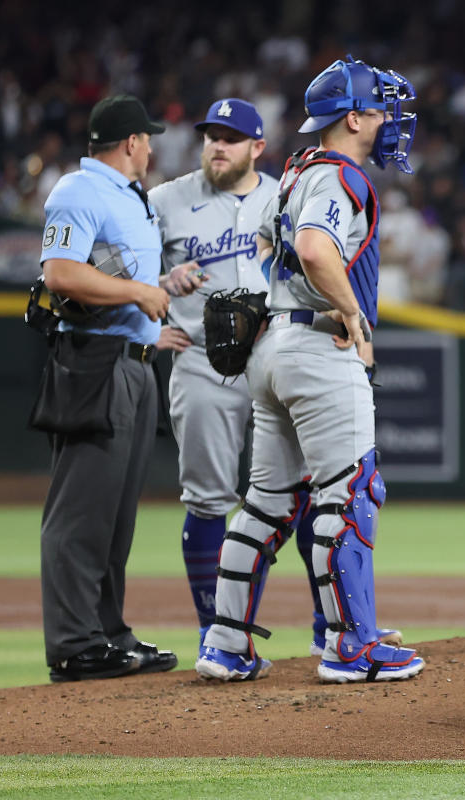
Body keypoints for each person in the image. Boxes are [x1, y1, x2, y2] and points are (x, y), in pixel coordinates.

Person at [195, 56, 423, 683]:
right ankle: (352, 645)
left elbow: (272, 246)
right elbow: (318, 249)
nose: (387, 120)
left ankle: (225, 642)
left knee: (268, 502)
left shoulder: (295, 172)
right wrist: (351, 314)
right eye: (379, 109)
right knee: (349, 495)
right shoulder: (340, 176)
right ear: (353, 117)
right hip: (318, 347)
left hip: (274, 346)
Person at [150, 98, 362, 657]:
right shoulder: (166, 201)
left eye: (230, 136)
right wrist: (146, 315)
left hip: (274, 353)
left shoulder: (285, 191)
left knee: (307, 493)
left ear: (256, 147)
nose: (217, 145)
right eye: (210, 135)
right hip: (204, 362)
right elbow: (113, 270)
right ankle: (212, 631)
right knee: (208, 499)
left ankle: (327, 626)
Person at [36, 94, 184, 681]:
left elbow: (116, 277)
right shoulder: (79, 190)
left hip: (134, 361)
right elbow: (61, 274)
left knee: (115, 517)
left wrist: (160, 290)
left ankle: (107, 634)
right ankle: (74, 643)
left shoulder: (126, 196)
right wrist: (139, 295)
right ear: (130, 143)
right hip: (94, 363)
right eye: (146, 137)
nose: (150, 146)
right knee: (80, 514)